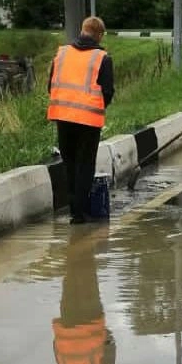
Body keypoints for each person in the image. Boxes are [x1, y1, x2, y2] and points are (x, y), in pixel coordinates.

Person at [49, 16, 115, 224]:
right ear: (98, 34)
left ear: (83, 30)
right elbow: (108, 91)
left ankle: (72, 210)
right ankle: (80, 213)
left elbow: (50, 84)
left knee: (69, 163)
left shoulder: (62, 53)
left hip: (62, 116)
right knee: (85, 165)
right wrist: (98, 106)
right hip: (88, 119)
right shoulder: (102, 57)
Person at [52, 227, 116, 364]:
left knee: (87, 271)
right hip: (67, 320)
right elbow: (55, 349)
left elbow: (110, 345)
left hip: (91, 318)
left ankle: (88, 235)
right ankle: (75, 239)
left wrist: (103, 331)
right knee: (71, 275)